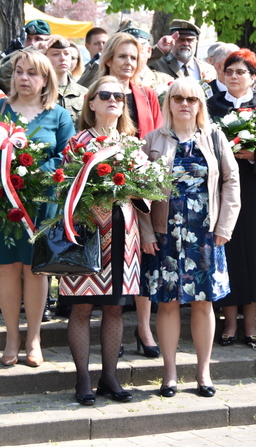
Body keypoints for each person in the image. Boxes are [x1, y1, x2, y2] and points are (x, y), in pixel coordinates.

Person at [139, 78, 240, 397]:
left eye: (192, 99)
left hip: (206, 234)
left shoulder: (215, 137)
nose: (185, 104)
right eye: (178, 98)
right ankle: (169, 374)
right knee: (167, 305)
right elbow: (136, 192)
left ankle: (203, 373)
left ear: (200, 105)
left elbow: (231, 181)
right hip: (165, 234)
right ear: (168, 103)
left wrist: (225, 226)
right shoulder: (152, 140)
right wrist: (145, 232)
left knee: (203, 303)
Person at [0, 50, 74, 367]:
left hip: (42, 205)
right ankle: (11, 337)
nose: (23, 78)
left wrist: (35, 170)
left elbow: (67, 157)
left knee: (36, 270)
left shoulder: (58, 115)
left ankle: (34, 338)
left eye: (32, 73)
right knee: (7, 267)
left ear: (46, 79)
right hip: (2, 204)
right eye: (19, 71)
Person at [60, 76, 144, 405]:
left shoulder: (131, 142)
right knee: (81, 309)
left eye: (119, 96)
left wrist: (139, 182)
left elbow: (144, 194)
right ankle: (82, 378)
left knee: (114, 311)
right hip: (86, 232)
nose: (113, 100)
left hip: (124, 232)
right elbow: (64, 189)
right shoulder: (77, 143)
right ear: (91, 103)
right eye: (105, 95)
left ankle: (110, 376)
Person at [207, 49, 256, 347]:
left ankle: (250, 324)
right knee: (227, 251)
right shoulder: (211, 107)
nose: (234, 77)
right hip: (221, 191)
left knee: (255, 252)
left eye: (241, 72)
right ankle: (228, 324)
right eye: (230, 72)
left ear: (253, 77)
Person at [99, 32, 163, 357]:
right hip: (107, 189)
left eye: (134, 58)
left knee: (144, 259)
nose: (128, 63)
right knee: (114, 261)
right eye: (122, 56)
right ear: (109, 58)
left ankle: (144, 328)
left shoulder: (147, 95)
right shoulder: (99, 91)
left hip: (142, 185)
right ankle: (114, 333)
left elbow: (159, 137)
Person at [149, 19, 217, 82]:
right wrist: (158, 49)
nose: (186, 43)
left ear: (196, 42)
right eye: (181, 39)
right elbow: (140, 67)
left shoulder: (209, 69)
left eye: (190, 40)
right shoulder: (158, 65)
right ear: (173, 41)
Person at [117, 20, 173, 90]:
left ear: (149, 51)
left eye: (139, 48)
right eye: (126, 49)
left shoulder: (165, 82)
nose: (133, 53)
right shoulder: (108, 82)